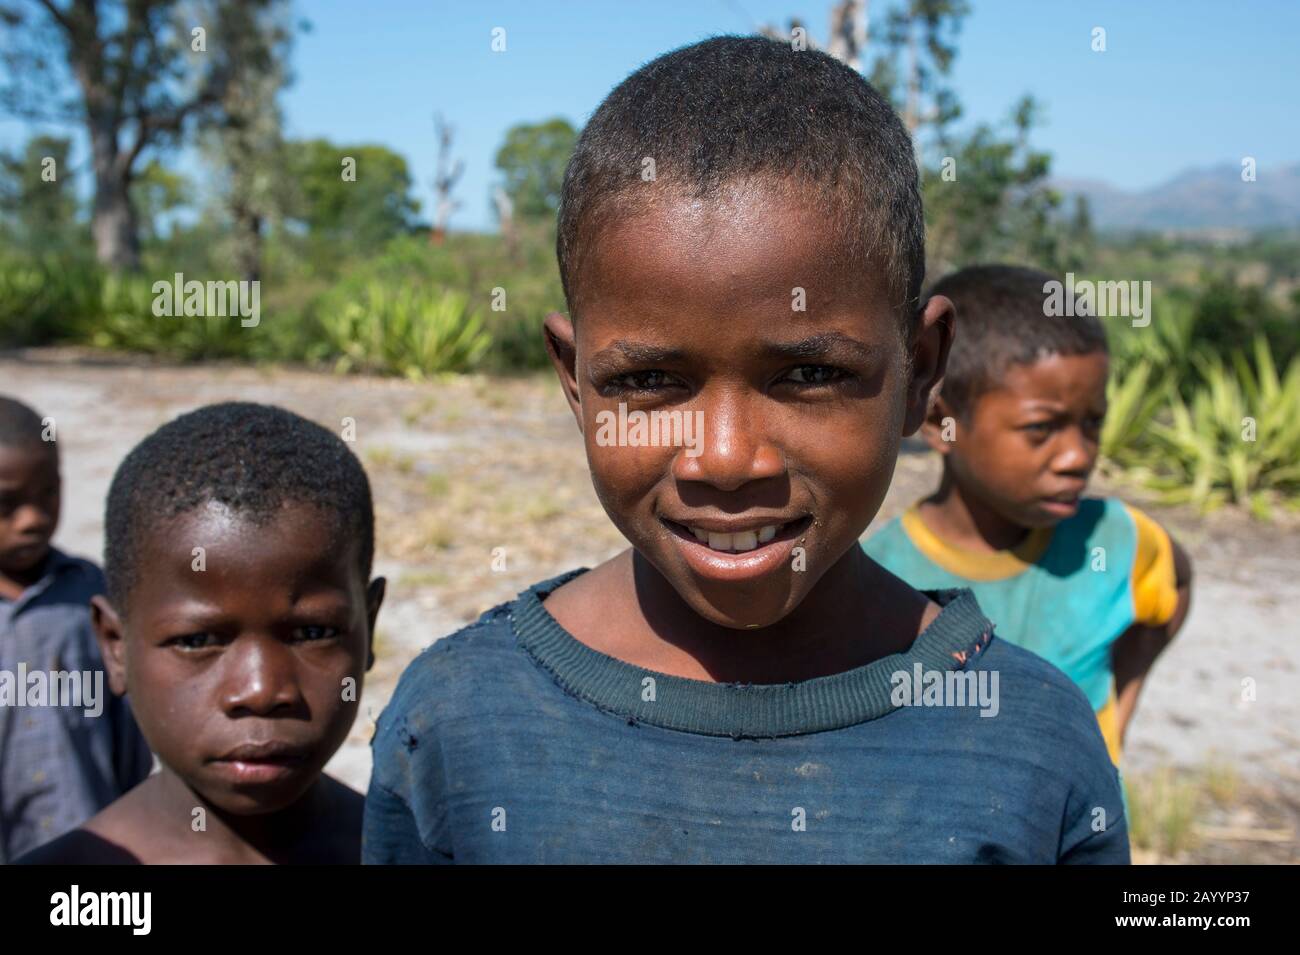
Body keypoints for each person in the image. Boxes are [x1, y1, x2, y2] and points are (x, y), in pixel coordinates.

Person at [364, 36, 1129, 864]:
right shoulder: (456, 726)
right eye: (651, 378)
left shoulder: (1031, 742)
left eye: (809, 371)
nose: (726, 459)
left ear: (922, 373)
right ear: (574, 380)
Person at [16, 402, 385, 863]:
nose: (261, 690)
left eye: (312, 631)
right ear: (115, 645)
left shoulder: (418, 856)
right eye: (196, 640)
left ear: (367, 627)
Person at [863, 264, 1192, 766]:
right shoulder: (881, 573)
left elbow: (1175, 585)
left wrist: (1113, 720)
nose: (1077, 456)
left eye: (1092, 424)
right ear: (939, 422)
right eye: (1042, 428)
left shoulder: (1117, 539)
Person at [0, 395, 152, 862]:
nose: (34, 519)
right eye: (8, 504)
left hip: (95, 848)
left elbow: (131, 734)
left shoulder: (94, 596)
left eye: (48, 493)